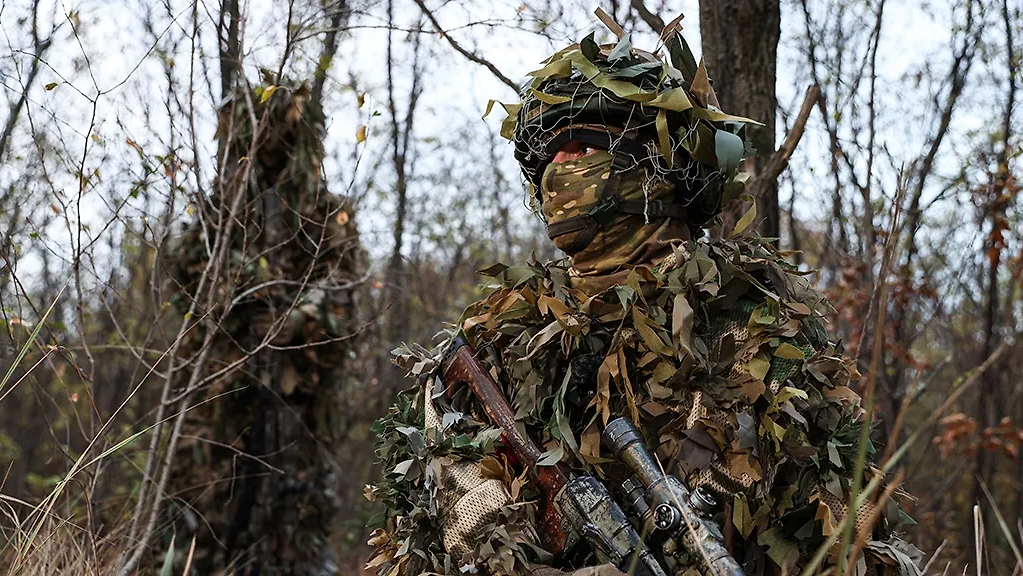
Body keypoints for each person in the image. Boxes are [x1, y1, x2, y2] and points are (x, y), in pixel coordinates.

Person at [367, 20, 922, 576]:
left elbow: (847, 527)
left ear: (652, 164)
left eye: (581, 146)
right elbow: (431, 496)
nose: (559, 169)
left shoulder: (754, 318)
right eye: (549, 158)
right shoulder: (501, 330)